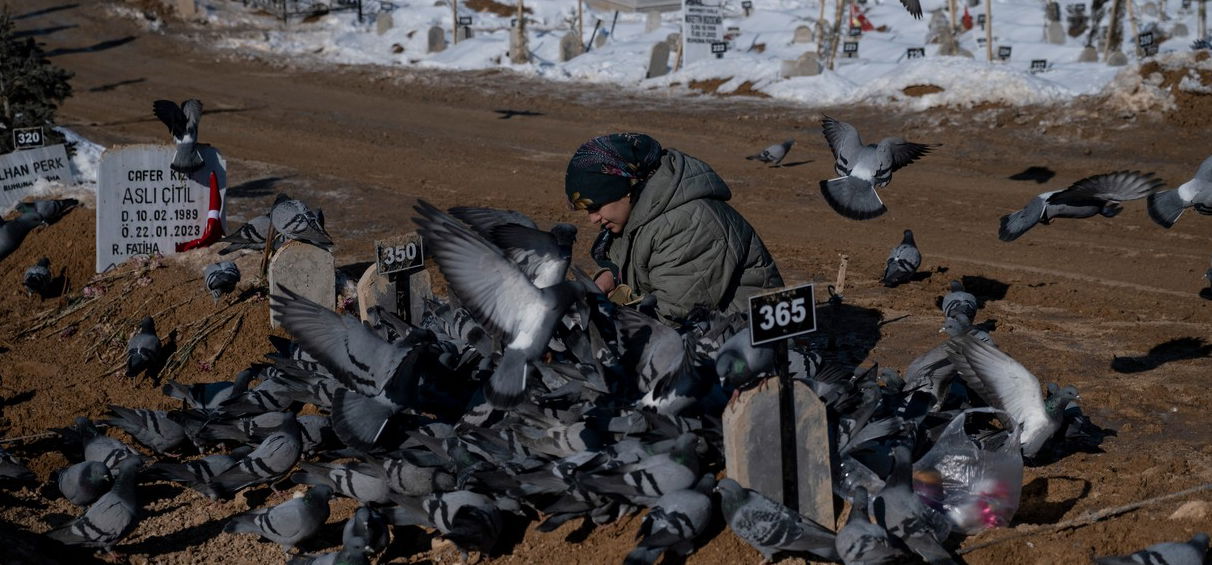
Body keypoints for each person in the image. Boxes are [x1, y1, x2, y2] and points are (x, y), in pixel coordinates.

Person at [564, 132, 783, 319]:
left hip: (747, 342)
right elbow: (625, 261)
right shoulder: (638, 214)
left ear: (626, 190)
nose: (593, 219)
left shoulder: (688, 223)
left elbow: (673, 314)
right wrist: (611, 276)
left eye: (596, 206)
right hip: (706, 328)